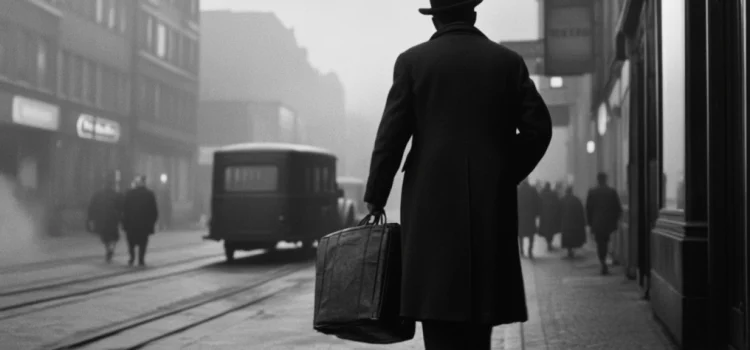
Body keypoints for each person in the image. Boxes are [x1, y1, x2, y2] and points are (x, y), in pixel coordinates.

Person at [362, 0, 553, 347]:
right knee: (481, 319)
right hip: (488, 211)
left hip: (430, 212)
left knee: (437, 316)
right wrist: (504, 172)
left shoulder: (412, 63)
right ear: (473, 15)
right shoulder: (508, 63)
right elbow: (538, 129)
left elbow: (390, 138)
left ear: (435, 19)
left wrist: (376, 196)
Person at [585, 172, 623, 275]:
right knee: (605, 242)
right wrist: (614, 220)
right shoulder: (611, 192)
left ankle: (602, 262)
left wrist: (589, 222)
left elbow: (588, 209)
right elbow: (618, 209)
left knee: (599, 243)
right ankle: (604, 261)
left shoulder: (592, 192)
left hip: (597, 222)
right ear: (606, 179)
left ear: (598, 180)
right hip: (607, 223)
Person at [86, 171, 123, 263]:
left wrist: (91, 218)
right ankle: (111, 249)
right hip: (113, 220)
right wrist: (122, 219)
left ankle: (109, 249)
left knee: (105, 237)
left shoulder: (98, 195)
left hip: (103, 219)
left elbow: (92, 207)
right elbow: (121, 207)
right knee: (114, 237)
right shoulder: (116, 195)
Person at [122, 175, 159, 267]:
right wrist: (152, 222)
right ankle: (141, 259)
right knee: (143, 242)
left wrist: (124, 222)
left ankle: (132, 258)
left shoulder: (129, 194)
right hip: (144, 224)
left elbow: (124, 209)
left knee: (131, 242)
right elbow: (154, 210)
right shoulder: (149, 194)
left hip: (131, 223)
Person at [560, 186, 586, 259]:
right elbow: (581, 212)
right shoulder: (576, 200)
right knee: (572, 237)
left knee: (567, 237)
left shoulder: (562, 200)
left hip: (565, 222)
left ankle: (569, 250)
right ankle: (571, 250)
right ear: (571, 192)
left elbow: (559, 211)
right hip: (574, 222)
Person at [517, 178, 541, 259]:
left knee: (520, 235)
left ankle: (521, 251)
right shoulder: (532, 190)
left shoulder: (518, 190)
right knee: (531, 235)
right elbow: (538, 202)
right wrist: (537, 214)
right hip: (531, 217)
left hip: (520, 217)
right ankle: (530, 251)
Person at [539, 182, 561, 251]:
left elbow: (538, 203)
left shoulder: (541, 194)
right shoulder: (553, 194)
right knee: (551, 231)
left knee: (546, 231)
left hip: (544, 216)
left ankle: (548, 244)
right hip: (552, 216)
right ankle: (549, 243)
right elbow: (558, 204)